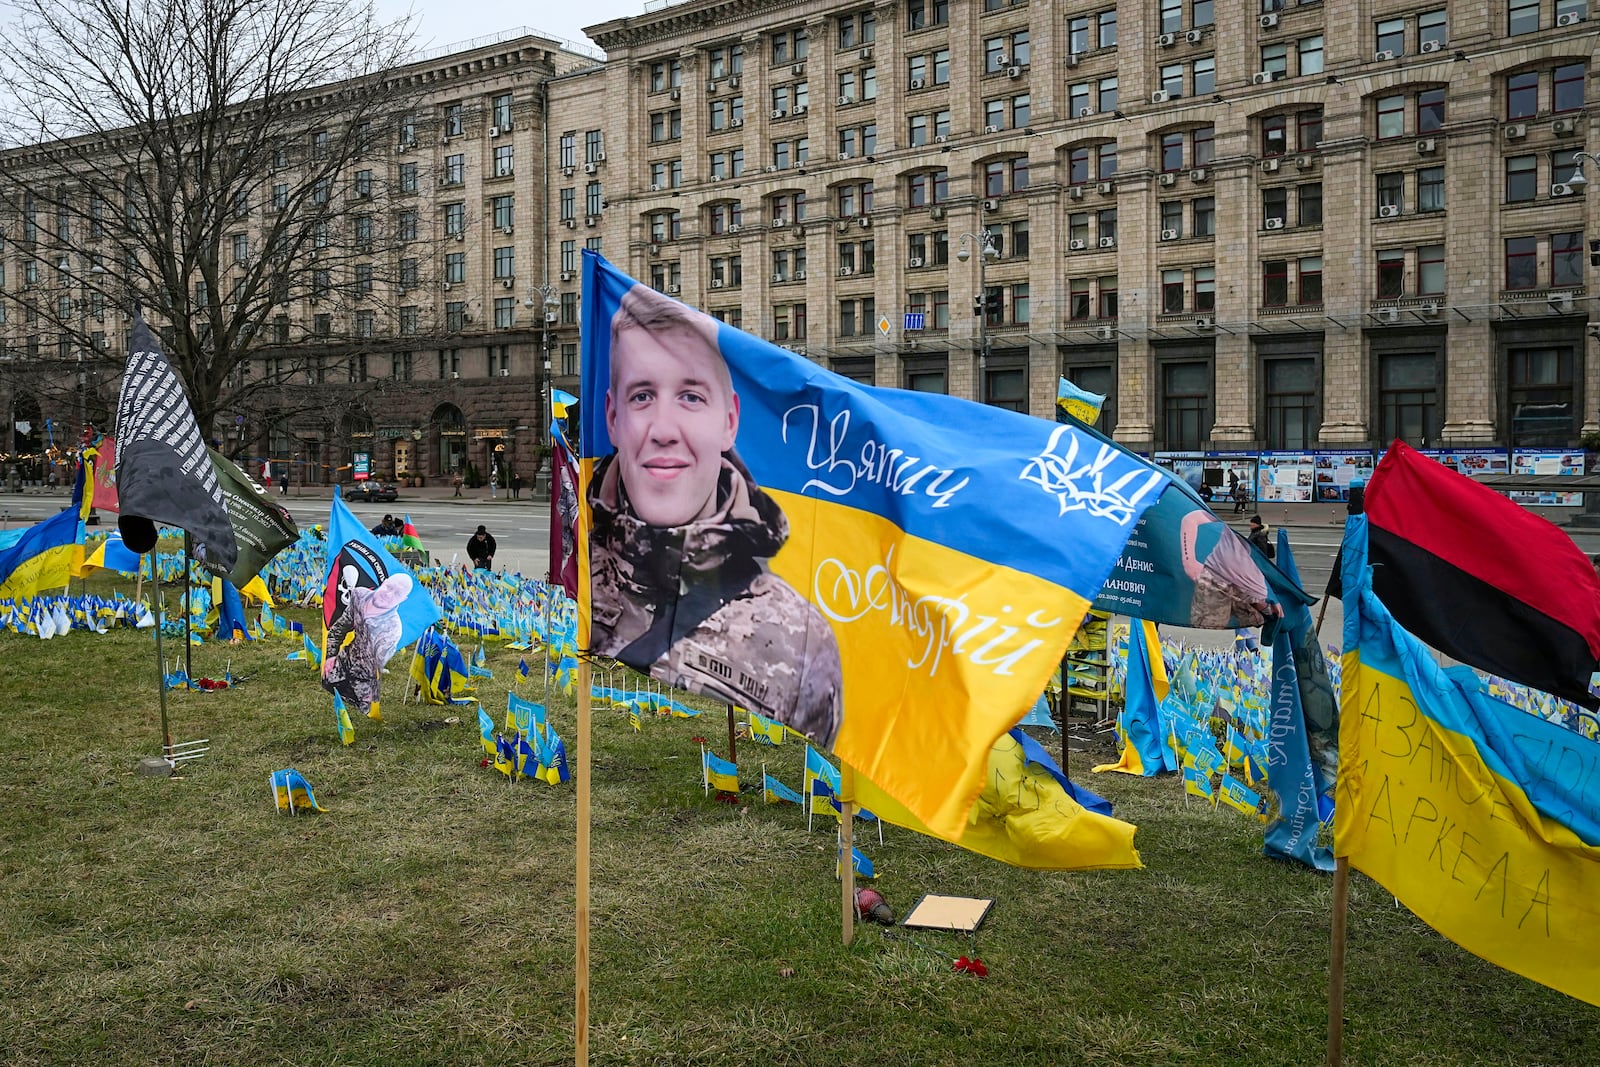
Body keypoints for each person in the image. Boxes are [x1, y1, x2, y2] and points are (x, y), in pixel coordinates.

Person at [587, 283, 843, 748]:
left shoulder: (799, 638)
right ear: (612, 417)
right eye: (642, 396)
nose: (663, 431)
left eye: (691, 397)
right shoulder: (573, 571)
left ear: (729, 421)